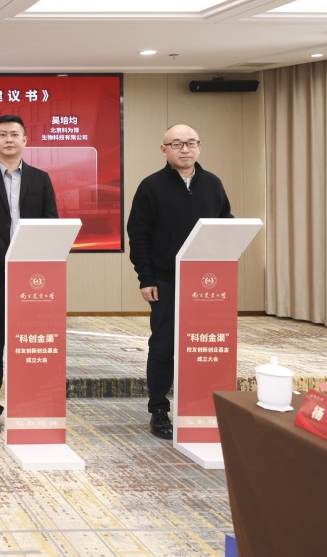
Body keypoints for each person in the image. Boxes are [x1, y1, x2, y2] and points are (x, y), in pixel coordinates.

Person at [128, 124, 232, 440]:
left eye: (190, 143)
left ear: (200, 147)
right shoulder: (151, 186)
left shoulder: (213, 184)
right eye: (176, 144)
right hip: (166, 280)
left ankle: (202, 405)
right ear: (164, 150)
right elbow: (138, 235)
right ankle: (159, 409)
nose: (184, 149)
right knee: (163, 345)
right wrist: (146, 277)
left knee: (205, 344)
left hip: (207, 284)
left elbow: (226, 224)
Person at [0, 114, 58, 436]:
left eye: (14, 134)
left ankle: (30, 405)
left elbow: (50, 221)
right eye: (2, 134)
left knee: (30, 343)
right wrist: (10, 256)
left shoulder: (41, 179)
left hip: (33, 277)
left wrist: (26, 258)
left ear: (25, 140)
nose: (8, 139)